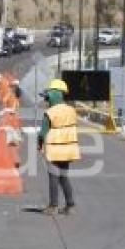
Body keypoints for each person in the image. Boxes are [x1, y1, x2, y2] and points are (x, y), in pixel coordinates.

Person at [38, 79, 81, 215]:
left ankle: (53, 206)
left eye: (48, 96)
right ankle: (70, 205)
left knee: (53, 177)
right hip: (68, 150)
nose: (46, 99)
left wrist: (39, 144)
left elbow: (43, 132)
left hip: (55, 150)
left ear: (54, 95)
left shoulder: (50, 113)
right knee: (63, 177)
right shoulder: (71, 111)